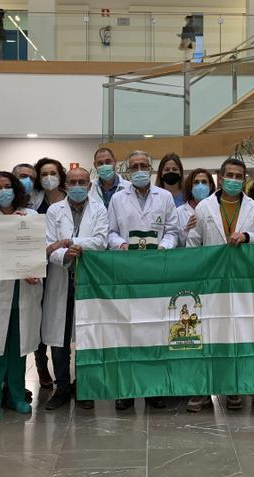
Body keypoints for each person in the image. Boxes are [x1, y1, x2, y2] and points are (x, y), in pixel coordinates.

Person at [186, 157, 254, 412]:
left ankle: (233, 388)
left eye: (239, 176)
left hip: (242, 281)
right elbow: (193, 243)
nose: (234, 180)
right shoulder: (204, 207)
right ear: (220, 178)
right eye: (229, 175)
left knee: (236, 334)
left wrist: (247, 237)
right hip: (210, 282)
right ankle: (203, 389)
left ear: (244, 180)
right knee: (208, 334)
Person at [106, 150, 179, 410]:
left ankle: (153, 388)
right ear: (128, 170)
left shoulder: (166, 196)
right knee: (127, 332)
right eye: (134, 165)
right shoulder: (117, 199)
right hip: (128, 271)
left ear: (151, 168)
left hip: (156, 272)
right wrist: (122, 245)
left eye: (143, 165)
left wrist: (164, 248)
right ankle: (125, 390)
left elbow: (172, 231)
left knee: (154, 332)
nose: (139, 169)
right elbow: (110, 233)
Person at [0, 172, 42, 422]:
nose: (4, 192)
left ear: (15, 189)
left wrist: (34, 272)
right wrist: (7, 227)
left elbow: (36, 250)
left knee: (18, 349)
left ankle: (16, 396)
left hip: (23, 293)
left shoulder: (31, 216)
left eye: (7, 187)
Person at [42, 167, 109, 411]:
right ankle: (62, 386)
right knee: (59, 337)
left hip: (88, 280)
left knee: (86, 334)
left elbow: (101, 241)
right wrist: (65, 254)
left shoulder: (99, 209)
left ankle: (84, 386)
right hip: (62, 277)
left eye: (82, 181)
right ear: (65, 186)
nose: (78, 185)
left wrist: (71, 243)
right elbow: (48, 244)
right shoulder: (53, 210)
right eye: (73, 182)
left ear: (90, 186)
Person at [33, 157, 68, 390]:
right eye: (44, 174)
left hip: (62, 266)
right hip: (36, 266)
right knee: (38, 317)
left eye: (53, 173)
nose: (48, 178)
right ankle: (40, 363)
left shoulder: (71, 198)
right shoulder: (33, 202)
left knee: (60, 321)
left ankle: (64, 374)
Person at [176, 168, 216, 247]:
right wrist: (186, 230)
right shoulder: (179, 212)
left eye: (204, 182)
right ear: (191, 187)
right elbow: (177, 243)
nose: (200, 185)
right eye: (196, 182)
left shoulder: (217, 209)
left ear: (210, 187)